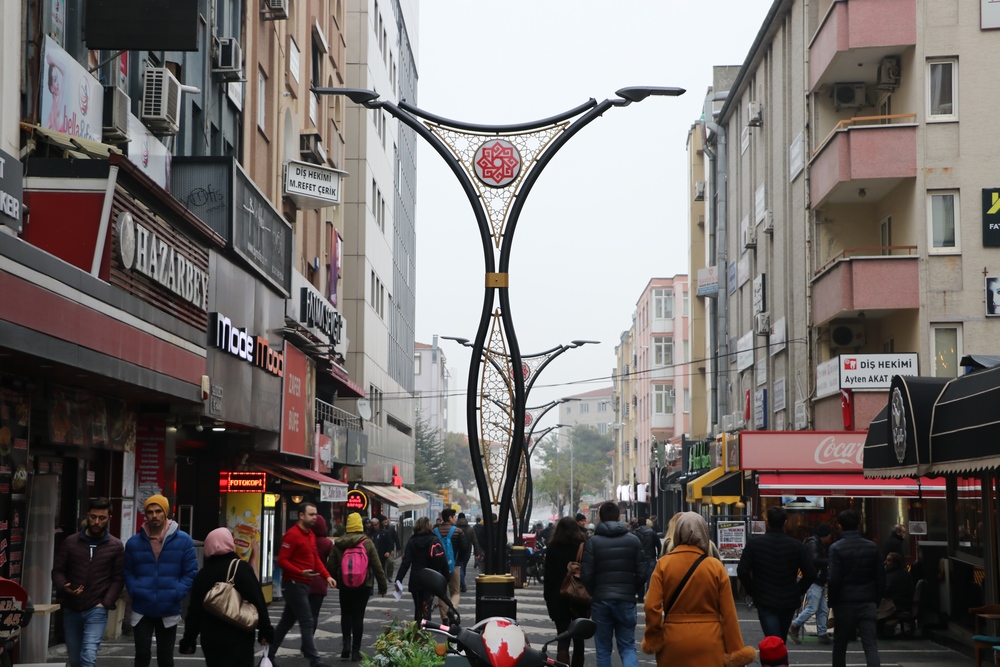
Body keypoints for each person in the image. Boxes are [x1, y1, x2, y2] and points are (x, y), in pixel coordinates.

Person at [642, 512, 756, 667]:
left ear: (678, 533)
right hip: (710, 640)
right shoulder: (715, 566)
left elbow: (651, 606)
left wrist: (654, 635)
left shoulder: (663, 564)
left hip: (673, 640)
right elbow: (728, 613)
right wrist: (735, 649)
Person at [179, 527, 273, 666]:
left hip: (212, 637)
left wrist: (189, 640)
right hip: (240, 633)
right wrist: (265, 630)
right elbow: (257, 600)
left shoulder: (203, 574)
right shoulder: (241, 568)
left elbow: (194, 612)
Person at [124, 494, 198, 667]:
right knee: (141, 655)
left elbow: (190, 572)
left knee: (165, 658)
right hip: (142, 607)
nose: (154, 515)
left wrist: (176, 591)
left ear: (166, 513)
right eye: (150, 512)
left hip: (169, 607)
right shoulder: (134, 543)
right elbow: (127, 571)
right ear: (145, 514)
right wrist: (135, 589)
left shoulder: (183, 541)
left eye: (158, 511)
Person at [52, 497, 124, 667]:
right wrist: (64, 587)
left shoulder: (115, 546)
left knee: (89, 655)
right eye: (93, 517)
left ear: (109, 518)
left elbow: (118, 578)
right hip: (72, 607)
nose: (97, 522)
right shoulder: (71, 542)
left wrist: (105, 603)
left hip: (96, 608)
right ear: (87, 515)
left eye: (102, 518)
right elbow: (58, 571)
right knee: (75, 659)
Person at [267, 502, 338, 667]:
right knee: (307, 621)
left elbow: (315, 559)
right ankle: (315, 660)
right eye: (311, 514)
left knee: (286, 622)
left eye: (315, 514)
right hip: (293, 584)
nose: (315, 518)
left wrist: (327, 576)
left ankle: (269, 655)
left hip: (303, 584)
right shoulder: (292, 535)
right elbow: (282, 560)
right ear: (301, 515)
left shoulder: (310, 535)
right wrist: (300, 572)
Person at [580, 501, 646, 667]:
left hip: (601, 599)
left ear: (600, 518)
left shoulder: (593, 542)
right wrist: (631, 589)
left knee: (603, 649)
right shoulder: (633, 540)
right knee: (628, 646)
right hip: (626, 599)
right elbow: (642, 573)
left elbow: (586, 575)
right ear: (619, 517)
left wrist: (595, 591)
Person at [737, 505, 815, 643]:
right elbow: (810, 573)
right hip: (788, 598)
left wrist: (753, 591)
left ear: (767, 522)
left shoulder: (754, 544)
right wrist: (797, 590)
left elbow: (742, 571)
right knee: (780, 639)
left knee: (773, 639)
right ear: (785, 523)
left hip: (764, 597)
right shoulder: (796, 545)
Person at [828, 509, 885, 667]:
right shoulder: (872, 547)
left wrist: (832, 602)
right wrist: (876, 599)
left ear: (840, 525)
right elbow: (881, 577)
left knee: (840, 644)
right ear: (858, 524)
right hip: (867, 600)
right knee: (870, 644)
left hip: (844, 602)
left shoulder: (836, 548)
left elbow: (834, 579)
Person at [329, 512, 387, 662]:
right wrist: (382, 587)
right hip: (363, 585)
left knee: (346, 614)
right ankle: (356, 651)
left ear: (347, 526)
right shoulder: (367, 542)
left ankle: (346, 645)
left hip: (345, 585)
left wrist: (337, 581)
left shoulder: (339, 543)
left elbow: (331, 565)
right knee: (358, 617)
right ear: (360, 526)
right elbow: (377, 566)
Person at [543, 516, 590, 667]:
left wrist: (548, 598)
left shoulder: (552, 547)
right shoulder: (583, 546)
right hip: (579, 596)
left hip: (558, 596)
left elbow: (548, 577)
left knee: (562, 636)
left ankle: (562, 664)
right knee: (579, 638)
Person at [396, 516, 449, 621]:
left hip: (416, 578)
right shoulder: (434, 540)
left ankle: (418, 628)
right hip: (431, 578)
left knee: (418, 608)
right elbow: (443, 560)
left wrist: (399, 579)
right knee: (427, 608)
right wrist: (446, 579)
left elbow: (406, 562)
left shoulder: (412, 541)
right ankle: (426, 628)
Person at [789, 523, 833, 645]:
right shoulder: (814, 544)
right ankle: (795, 625)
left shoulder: (814, 543)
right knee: (813, 607)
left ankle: (822, 634)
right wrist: (830, 561)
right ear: (824, 535)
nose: (830, 537)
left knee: (822, 609)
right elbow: (815, 560)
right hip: (816, 579)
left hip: (818, 578)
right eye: (829, 535)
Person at [434, 508, 469, 621]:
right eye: (454, 517)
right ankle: (452, 609)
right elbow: (464, 548)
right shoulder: (458, 531)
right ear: (450, 518)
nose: (455, 519)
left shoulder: (435, 531)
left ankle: (444, 618)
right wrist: (459, 560)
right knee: (455, 592)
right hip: (454, 565)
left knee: (442, 593)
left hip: (439, 567)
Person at [877, 551, 915, 637]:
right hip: (903, 603)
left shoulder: (893, 576)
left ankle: (879, 632)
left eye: (888, 560)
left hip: (897, 604)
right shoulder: (904, 573)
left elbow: (885, 591)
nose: (885, 562)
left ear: (895, 563)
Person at [309, 514, 334, 632]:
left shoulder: (307, 540)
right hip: (320, 582)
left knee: (304, 614)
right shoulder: (327, 543)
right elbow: (332, 561)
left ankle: (306, 637)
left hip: (304, 580)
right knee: (314, 613)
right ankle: (310, 636)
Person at [634, 519, 661, 594]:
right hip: (651, 556)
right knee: (650, 577)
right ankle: (649, 593)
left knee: (640, 576)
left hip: (640, 558)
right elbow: (658, 544)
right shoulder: (652, 532)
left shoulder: (636, 533)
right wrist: (659, 554)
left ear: (638, 524)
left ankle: (640, 595)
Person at [455, 512, 479, 593]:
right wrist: (477, 553)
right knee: (463, 567)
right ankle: (462, 583)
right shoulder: (470, 529)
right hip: (467, 551)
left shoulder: (454, 528)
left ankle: (462, 584)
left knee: (459, 567)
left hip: (456, 550)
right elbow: (475, 541)